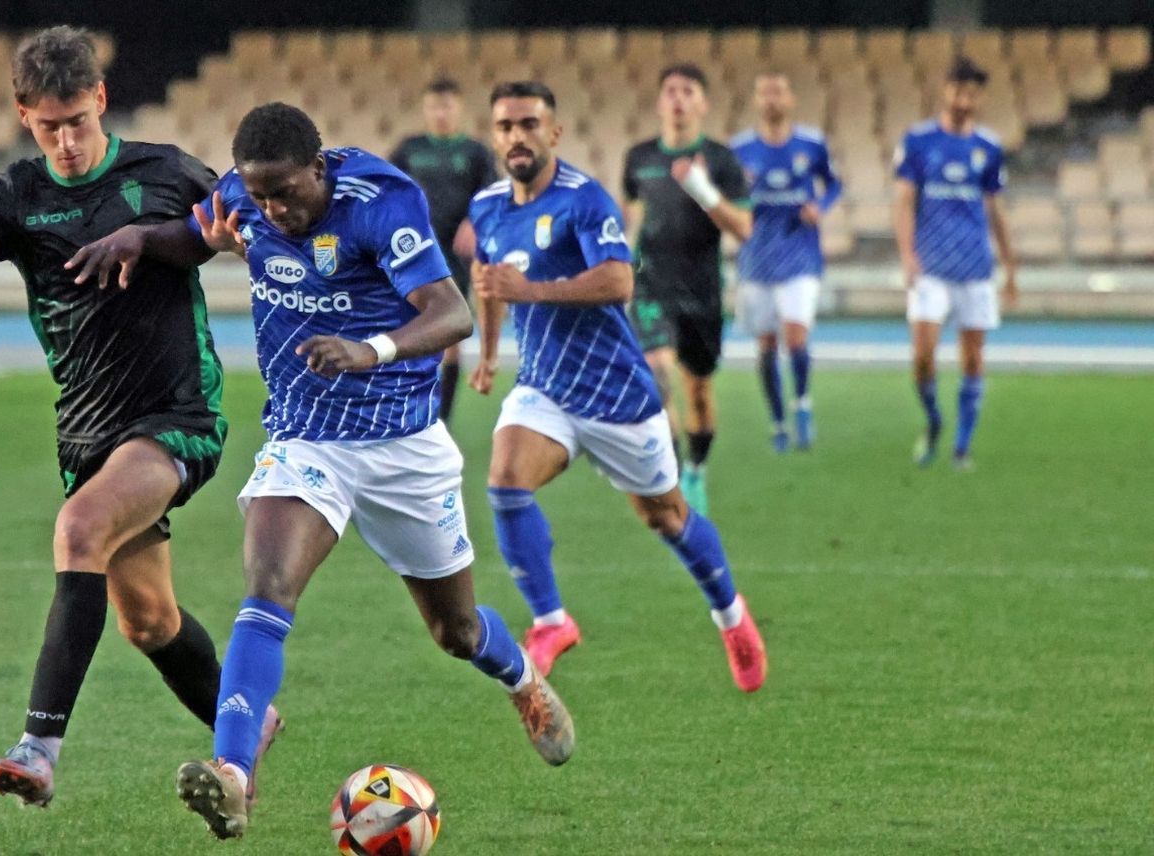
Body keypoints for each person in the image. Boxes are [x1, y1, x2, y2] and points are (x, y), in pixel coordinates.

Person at [68, 102, 574, 842]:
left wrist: (368, 349)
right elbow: (197, 235)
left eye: (288, 193)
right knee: (267, 588)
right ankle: (235, 774)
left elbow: (451, 313)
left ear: (319, 168)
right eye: (260, 195)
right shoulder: (246, 197)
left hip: (403, 440)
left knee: (456, 630)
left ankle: (522, 679)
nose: (275, 210)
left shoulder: (383, 200)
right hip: (307, 440)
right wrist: (141, 238)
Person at [0, 25, 277, 810]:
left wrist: (237, 241)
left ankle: (38, 748)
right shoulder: (15, 197)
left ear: (101, 100)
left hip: (177, 415)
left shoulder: (165, 172)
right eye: (47, 126)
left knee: (78, 530)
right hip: (88, 432)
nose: (65, 142)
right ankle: (250, 728)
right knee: (149, 620)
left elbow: (247, 232)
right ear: (23, 115)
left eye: (78, 122)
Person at [468, 80, 767, 687]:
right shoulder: (489, 206)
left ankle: (732, 617)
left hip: (616, 394)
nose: (516, 137)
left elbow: (618, 281)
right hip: (546, 388)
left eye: (529, 124)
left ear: (553, 133)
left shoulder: (585, 199)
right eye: (505, 126)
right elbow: (490, 279)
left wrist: (534, 292)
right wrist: (491, 352)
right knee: (504, 479)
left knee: (668, 519)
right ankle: (552, 621)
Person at [621, 63, 752, 513]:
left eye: (687, 90)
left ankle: (696, 469)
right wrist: (620, 265)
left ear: (703, 103)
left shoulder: (721, 159)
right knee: (657, 375)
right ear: (660, 102)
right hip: (652, 286)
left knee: (698, 394)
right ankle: (671, 483)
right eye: (670, 90)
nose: (677, 98)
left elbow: (745, 229)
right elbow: (631, 220)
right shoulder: (639, 158)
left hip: (702, 291)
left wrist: (701, 188)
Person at [893, 57, 1018, 470]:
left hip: (975, 268)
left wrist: (1010, 267)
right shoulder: (918, 141)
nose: (964, 99)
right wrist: (908, 254)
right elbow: (904, 202)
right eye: (958, 90)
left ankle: (961, 447)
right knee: (922, 356)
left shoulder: (988, 147)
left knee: (972, 360)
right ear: (945, 90)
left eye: (972, 92)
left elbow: (995, 210)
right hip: (930, 267)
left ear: (979, 97)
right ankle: (933, 420)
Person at [730, 72, 843, 452]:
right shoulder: (740, 150)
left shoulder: (811, 144)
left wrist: (821, 206)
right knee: (765, 344)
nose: (772, 99)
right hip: (756, 259)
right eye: (765, 93)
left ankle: (803, 405)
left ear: (791, 99)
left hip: (800, 255)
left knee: (795, 335)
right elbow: (727, 197)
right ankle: (777, 422)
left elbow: (835, 184)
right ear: (757, 101)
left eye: (778, 91)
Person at [389, 77, 499, 421]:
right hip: (411, 252)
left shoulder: (476, 153)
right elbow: (386, 190)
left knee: (450, 337)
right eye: (434, 106)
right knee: (407, 329)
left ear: (459, 108)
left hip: (455, 255)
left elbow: (492, 198)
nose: (441, 113)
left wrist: (474, 221)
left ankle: (442, 419)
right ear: (425, 109)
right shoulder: (409, 149)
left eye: (447, 106)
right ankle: (404, 407)